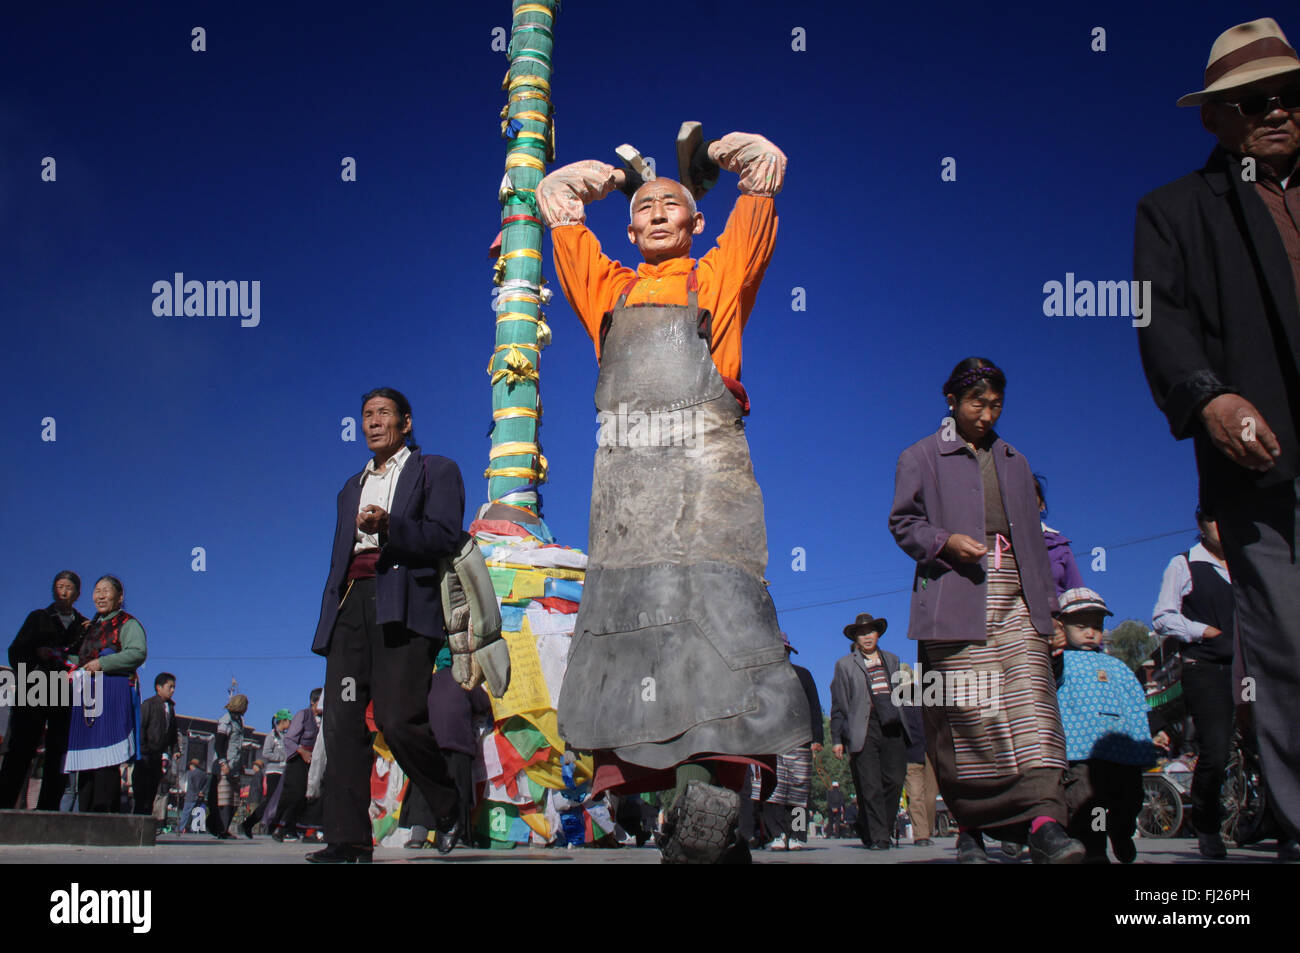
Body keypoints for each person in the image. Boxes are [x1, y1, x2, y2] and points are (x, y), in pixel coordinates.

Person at [538, 129, 811, 863]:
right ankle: (695, 814)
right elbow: (557, 207)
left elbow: (762, 183)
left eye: (673, 207)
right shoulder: (609, 288)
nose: (659, 214)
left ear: (695, 225)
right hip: (628, 492)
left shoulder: (715, 278)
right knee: (640, 638)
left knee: (720, 622)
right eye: (647, 207)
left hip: (709, 473)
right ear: (629, 229)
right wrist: (599, 181)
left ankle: (716, 789)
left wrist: (723, 157)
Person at [1135, 16, 1300, 861]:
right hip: (1260, 457)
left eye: (1290, 95)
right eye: (1253, 101)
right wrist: (1210, 399)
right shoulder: (1174, 212)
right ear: (1215, 117)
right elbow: (1158, 319)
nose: (1278, 111)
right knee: (1288, 638)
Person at [889, 358, 1084, 864]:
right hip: (955, 589)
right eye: (977, 403)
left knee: (1033, 701)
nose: (987, 414)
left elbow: (1034, 547)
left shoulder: (1014, 460)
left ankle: (1045, 823)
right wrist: (943, 541)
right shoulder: (921, 456)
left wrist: (1050, 611)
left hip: (1018, 592)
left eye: (996, 405)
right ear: (951, 401)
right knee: (973, 715)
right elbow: (903, 522)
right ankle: (972, 828)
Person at [308, 387, 467, 864]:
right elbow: (340, 558)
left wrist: (390, 526)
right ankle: (348, 839)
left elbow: (444, 535)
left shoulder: (436, 470)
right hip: (352, 606)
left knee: (398, 720)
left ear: (406, 421)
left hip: (404, 602)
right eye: (366, 416)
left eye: (383, 414)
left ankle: (446, 801)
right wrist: (330, 614)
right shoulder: (348, 489)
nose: (373, 422)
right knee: (342, 723)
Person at [1152, 509, 1237, 858]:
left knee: (1272, 742)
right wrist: (1202, 630)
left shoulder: (1247, 564)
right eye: (1216, 518)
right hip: (1206, 667)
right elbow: (1162, 617)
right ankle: (1207, 825)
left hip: (1247, 668)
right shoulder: (1184, 563)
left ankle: (1281, 824)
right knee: (1215, 752)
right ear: (1202, 523)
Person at [1054, 588, 1156, 863]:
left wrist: (1144, 744)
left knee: (1131, 799)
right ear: (1060, 626)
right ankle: (1094, 849)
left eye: (1097, 626)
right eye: (1081, 625)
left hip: (1122, 751)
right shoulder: (1058, 662)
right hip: (1080, 751)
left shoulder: (1117, 666)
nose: (1090, 632)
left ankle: (1122, 832)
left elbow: (1136, 705)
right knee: (1087, 802)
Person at [0, 571, 87, 810]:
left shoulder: (83, 625)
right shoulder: (38, 617)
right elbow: (16, 651)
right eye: (59, 586)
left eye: (69, 587)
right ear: (53, 590)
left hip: (65, 687)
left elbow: (87, 658)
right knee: (21, 746)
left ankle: (48, 807)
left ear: (77, 593)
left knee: (58, 750)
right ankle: (5, 804)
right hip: (36, 683)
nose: (63, 591)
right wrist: (35, 657)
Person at [64, 575, 147, 813]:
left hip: (113, 695)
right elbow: (79, 659)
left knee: (106, 761)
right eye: (96, 590)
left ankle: (102, 818)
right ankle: (84, 816)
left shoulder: (128, 623)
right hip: (87, 697)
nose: (100, 595)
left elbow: (137, 653)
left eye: (106, 591)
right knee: (87, 762)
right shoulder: (90, 627)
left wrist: (103, 664)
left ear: (119, 597)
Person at [830, 613, 911, 850]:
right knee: (870, 785)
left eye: (870, 631)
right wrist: (837, 739)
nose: (867, 637)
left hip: (892, 723)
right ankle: (880, 837)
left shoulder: (892, 659)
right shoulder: (845, 665)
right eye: (862, 633)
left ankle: (873, 826)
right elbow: (839, 703)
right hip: (863, 726)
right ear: (856, 637)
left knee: (895, 780)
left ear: (878, 634)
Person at [761, 634, 823, 851]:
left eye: (784, 650)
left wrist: (817, 738)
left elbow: (815, 707)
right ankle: (776, 835)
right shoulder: (763, 678)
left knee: (798, 791)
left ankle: (797, 835)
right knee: (773, 790)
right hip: (772, 741)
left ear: (789, 652)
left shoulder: (803, 675)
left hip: (800, 740)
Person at [269, 688, 320, 843]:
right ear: (313, 701)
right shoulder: (303, 716)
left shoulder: (325, 719)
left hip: (315, 761)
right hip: (298, 760)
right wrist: (302, 751)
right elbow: (289, 739)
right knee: (296, 795)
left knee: (312, 795)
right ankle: (281, 827)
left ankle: (307, 830)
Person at [900, 671, 938, 847]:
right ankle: (921, 835)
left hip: (930, 754)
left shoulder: (926, 703)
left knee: (930, 796)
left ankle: (927, 829)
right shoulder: (898, 707)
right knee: (915, 796)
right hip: (910, 756)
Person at [240, 709, 290, 837]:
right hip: (273, 772)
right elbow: (265, 753)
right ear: (282, 721)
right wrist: (280, 758)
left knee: (281, 801)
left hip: (283, 772)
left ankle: (274, 827)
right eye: (288, 721)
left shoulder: (285, 736)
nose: (290, 723)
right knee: (270, 800)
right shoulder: (272, 735)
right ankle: (249, 823)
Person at [134, 672, 177, 816]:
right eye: (169, 687)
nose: (172, 690)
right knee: (141, 794)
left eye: (174, 687)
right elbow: (140, 728)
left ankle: (145, 824)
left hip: (158, 755)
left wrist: (175, 749)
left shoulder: (170, 708)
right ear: (159, 687)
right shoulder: (149, 704)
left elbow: (172, 731)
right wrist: (143, 749)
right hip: (146, 755)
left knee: (152, 792)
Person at [1033, 475, 1084, 595]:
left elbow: (1076, 593)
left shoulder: (1059, 546)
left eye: (1030, 495)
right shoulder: (1001, 543)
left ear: (1042, 505)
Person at [207, 694, 248, 838]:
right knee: (224, 799)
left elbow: (239, 745)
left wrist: (241, 764)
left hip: (235, 766)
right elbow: (219, 743)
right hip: (225, 765)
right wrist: (223, 762)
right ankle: (221, 829)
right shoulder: (226, 720)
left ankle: (225, 827)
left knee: (234, 800)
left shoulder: (239, 721)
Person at [179, 757, 207, 834]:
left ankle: (181, 828)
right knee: (196, 813)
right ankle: (194, 829)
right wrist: (201, 792)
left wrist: (195, 792)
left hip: (190, 795)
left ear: (192, 765)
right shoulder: (203, 774)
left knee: (186, 813)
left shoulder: (190, 773)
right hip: (199, 796)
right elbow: (206, 785)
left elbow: (190, 785)